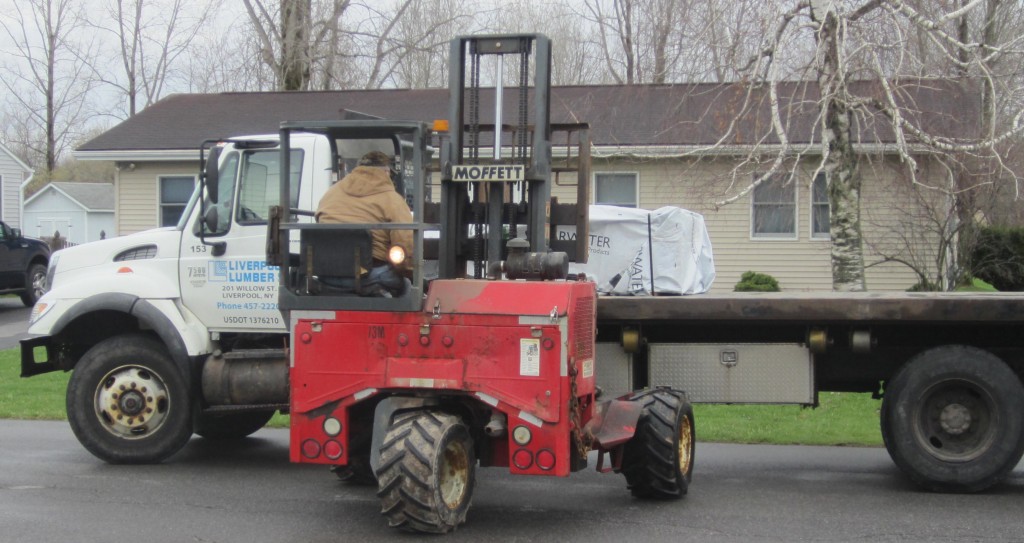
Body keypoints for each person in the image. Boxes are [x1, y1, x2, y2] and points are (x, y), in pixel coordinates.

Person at [315, 150, 413, 296]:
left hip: (326, 276)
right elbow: (406, 244)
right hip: (369, 278)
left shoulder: (330, 194)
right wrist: (412, 272)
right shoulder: (393, 200)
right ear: (386, 172)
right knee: (409, 286)